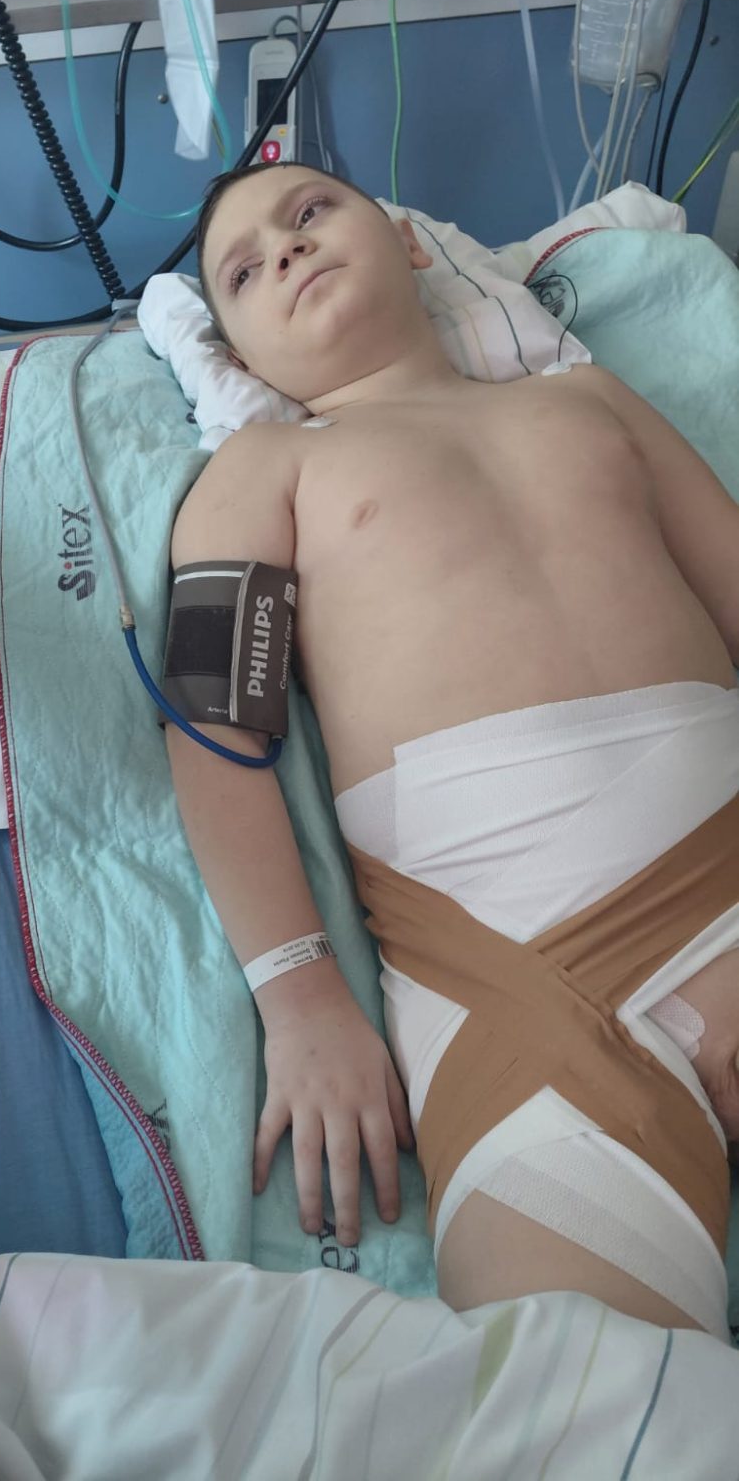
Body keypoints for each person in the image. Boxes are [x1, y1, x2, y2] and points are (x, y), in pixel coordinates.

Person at [166, 160, 739, 1338]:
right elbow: (215, 739)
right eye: (244, 269)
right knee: (578, 1389)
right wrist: (302, 997)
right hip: (508, 973)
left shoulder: (590, 401)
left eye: (310, 212)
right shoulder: (262, 471)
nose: (286, 248)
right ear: (238, 358)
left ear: (414, 244)